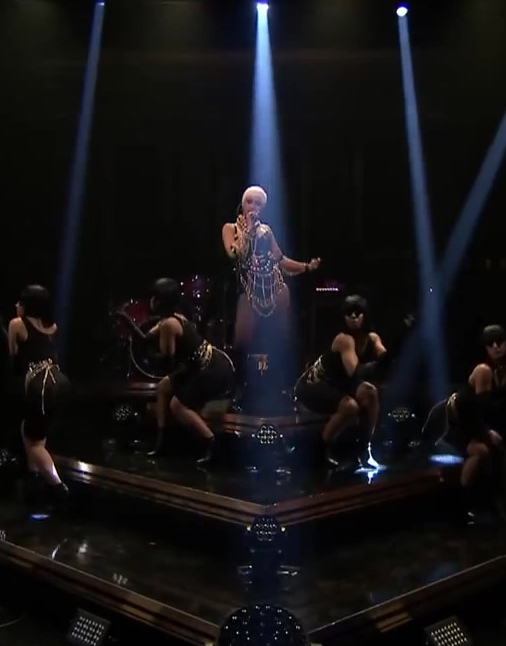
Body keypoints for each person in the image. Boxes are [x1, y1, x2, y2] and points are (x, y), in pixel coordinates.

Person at [119, 278, 236, 465]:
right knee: (163, 387)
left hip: (212, 370)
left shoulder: (169, 325)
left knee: (177, 405)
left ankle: (212, 444)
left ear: (161, 302)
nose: (151, 301)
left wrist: (152, 356)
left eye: (155, 298)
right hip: (199, 366)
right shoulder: (172, 319)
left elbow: (167, 361)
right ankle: (162, 442)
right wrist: (126, 320)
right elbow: (145, 338)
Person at [221, 186, 320, 400]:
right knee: (243, 341)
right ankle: (240, 389)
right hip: (249, 290)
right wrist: (248, 230)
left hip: (275, 288)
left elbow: (280, 260)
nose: (253, 207)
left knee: (280, 338)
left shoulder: (266, 231)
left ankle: (282, 387)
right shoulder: (231, 229)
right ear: (242, 203)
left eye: (258, 203)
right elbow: (234, 254)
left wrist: (306, 267)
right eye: (250, 202)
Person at [425, 324, 506, 526]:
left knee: (499, 450)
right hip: (454, 422)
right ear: (485, 348)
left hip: (475, 422)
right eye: (491, 344)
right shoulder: (483, 371)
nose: (496, 347)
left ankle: (499, 506)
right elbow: (476, 410)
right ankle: (465, 506)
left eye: (500, 342)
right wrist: (487, 433)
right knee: (482, 451)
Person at [294, 295, 388, 467]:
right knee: (350, 406)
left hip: (339, 382)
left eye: (357, 312)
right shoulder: (344, 340)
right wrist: (379, 366)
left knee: (370, 394)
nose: (353, 317)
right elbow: (354, 371)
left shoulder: (372, 338)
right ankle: (320, 451)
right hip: (314, 385)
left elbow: (385, 357)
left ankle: (364, 448)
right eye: (348, 313)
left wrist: (390, 359)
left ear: (365, 314)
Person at [7, 284, 70, 513]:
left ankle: (58, 486)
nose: (17, 305)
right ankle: (34, 482)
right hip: (60, 382)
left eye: (20, 301)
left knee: (33, 442)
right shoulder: (53, 326)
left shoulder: (17, 324)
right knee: (34, 432)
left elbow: (14, 357)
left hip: (40, 386)